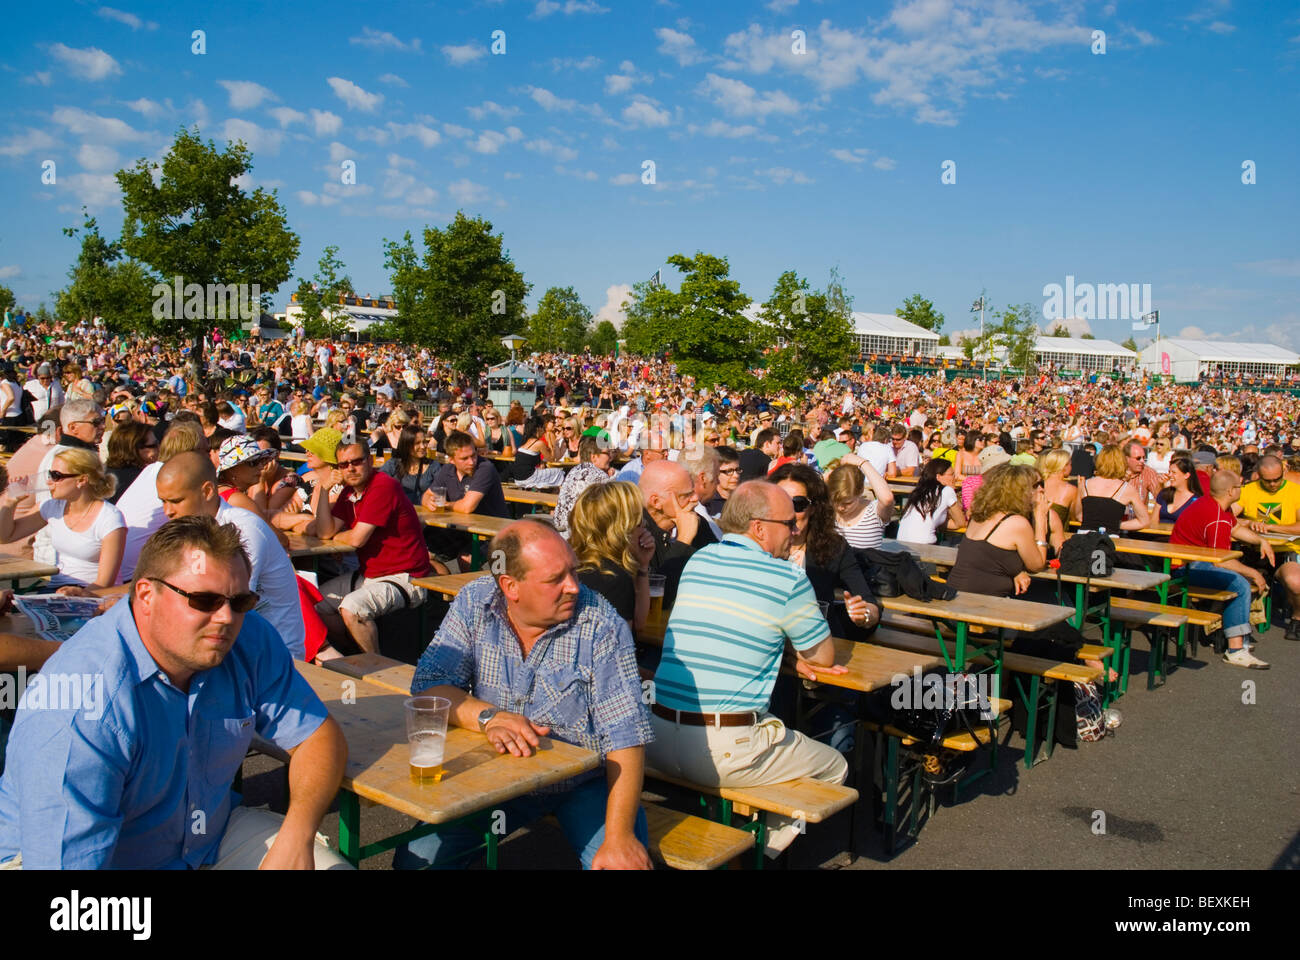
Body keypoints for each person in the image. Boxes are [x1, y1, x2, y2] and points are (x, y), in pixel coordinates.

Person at [0, 515, 350, 869]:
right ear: (147, 595)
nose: (227, 617)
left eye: (240, 602)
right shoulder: (82, 709)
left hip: (205, 839)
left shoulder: (249, 639)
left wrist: (297, 833)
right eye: (204, 600)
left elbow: (317, 737)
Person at [396, 518, 653, 870]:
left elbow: (626, 735)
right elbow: (429, 687)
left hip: (583, 783)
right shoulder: (475, 602)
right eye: (555, 579)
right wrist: (489, 717)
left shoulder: (600, 623)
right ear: (510, 586)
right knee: (416, 861)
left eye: (573, 572)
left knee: (621, 865)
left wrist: (619, 836)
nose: (574, 587)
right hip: (499, 776)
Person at [646, 480, 848, 858]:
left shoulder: (699, 560)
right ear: (759, 527)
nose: (795, 529)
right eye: (788, 523)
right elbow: (822, 658)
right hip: (724, 751)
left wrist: (775, 645)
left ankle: (734, 834)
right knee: (835, 767)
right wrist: (790, 652)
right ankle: (754, 852)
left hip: (656, 736)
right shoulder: (787, 578)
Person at [156, 452, 310, 660]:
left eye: (176, 501)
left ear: (207, 491)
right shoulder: (193, 528)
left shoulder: (243, 529)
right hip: (233, 642)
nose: (167, 511)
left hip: (273, 654)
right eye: (163, 502)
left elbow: (233, 608)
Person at [307, 442, 431, 655]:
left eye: (356, 461)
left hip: (407, 577)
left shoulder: (384, 485)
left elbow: (357, 540)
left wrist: (342, 536)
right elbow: (324, 532)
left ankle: (375, 667)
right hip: (370, 575)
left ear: (370, 461)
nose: (351, 468)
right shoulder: (348, 492)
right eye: (344, 464)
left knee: (352, 608)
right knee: (314, 604)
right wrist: (325, 490)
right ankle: (355, 651)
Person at [1171, 470, 1276, 668]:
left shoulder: (1212, 504)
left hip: (1187, 562)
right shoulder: (1216, 516)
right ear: (1230, 491)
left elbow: (1235, 528)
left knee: (1238, 580)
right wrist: (1253, 573)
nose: (1242, 489)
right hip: (1185, 568)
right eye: (1239, 486)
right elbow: (1221, 560)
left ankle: (1237, 635)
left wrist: (1260, 540)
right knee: (1240, 584)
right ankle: (1236, 649)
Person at [769, 463, 880, 640]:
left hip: (817, 644)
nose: (789, 512)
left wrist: (864, 615)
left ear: (813, 507)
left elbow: (869, 603)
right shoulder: (758, 546)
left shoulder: (833, 547)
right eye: (780, 502)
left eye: (798, 504)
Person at [0, 447, 125, 589]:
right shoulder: (53, 507)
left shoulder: (109, 518)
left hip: (93, 594)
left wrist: (75, 595)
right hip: (58, 588)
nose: (49, 482)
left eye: (56, 476)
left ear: (81, 480)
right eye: (49, 474)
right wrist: (10, 503)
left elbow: (104, 583)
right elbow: (5, 537)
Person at [946, 463, 1049, 598]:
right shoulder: (1017, 523)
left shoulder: (981, 514)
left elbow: (991, 557)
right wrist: (1040, 518)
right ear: (1021, 490)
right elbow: (1037, 565)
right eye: (1035, 486)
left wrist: (1017, 572)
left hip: (956, 594)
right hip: (980, 604)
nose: (1040, 490)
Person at [569, 481, 656, 632]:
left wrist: (642, 565)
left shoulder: (572, 561)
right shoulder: (613, 579)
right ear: (621, 529)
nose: (644, 525)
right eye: (638, 521)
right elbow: (634, 632)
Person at [1234, 455, 1300, 641]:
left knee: (1296, 582)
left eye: (1277, 480)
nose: (1273, 485)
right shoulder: (1248, 490)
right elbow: (1227, 517)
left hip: (1285, 550)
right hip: (1253, 551)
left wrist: (1271, 527)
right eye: (1267, 481)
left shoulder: (1296, 491)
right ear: (1258, 475)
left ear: (1284, 473)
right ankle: (1238, 627)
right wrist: (1248, 523)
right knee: (1235, 580)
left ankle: (1297, 617)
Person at [638, 459, 717, 607]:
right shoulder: (637, 533)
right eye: (686, 495)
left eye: (693, 491)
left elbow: (718, 565)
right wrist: (684, 541)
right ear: (656, 502)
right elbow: (658, 596)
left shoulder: (696, 522)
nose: (695, 498)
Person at [422, 430, 509, 518]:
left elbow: (467, 507)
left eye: (473, 455)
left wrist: (444, 504)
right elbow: (427, 495)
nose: (471, 462)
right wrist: (429, 502)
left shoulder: (485, 468)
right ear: (451, 460)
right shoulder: (447, 469)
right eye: (464, 458)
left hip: (491, 528)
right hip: (462, 526)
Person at [1076, 444, 1151, 532]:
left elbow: (1079, 515)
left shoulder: (1084, 484)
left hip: (1083, 538)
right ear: (1121, 463)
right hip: (1108, 540)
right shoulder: (1127, 489)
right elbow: (1144, 521)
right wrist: (1116, 524)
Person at [553, 434, 614, 537]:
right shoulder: (599, 476)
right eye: (607, 453)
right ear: (594, 457)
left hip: (561, 532)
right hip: (579, 536)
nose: (610, 457)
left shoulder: (575, 470)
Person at [896, 457, 965, 545]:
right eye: (951, 474)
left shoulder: (919, 491)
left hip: (901, 544)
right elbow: (961, 522)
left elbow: (931, 520)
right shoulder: (946, 490)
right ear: (939, 477)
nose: (955, 478)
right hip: (924, 546)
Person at [826, 461, 893, 550]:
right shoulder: (827, 510)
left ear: (861, 491)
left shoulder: (873, 512)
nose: (840, 508)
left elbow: (887, 499)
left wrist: (863, 463)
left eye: (848, 503)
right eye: (836, 501)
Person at [379, 423, 438, 505]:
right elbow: (378, 484)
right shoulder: (394, 464)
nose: (423, 446)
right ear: (407, 445)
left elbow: (440, 491)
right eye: (417, 443)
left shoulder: (433, 466)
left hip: (425, 514)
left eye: (424, 442)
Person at [103, 420, 157, 503]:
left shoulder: (101, 473)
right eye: (153, 445)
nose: (160, 448)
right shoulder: (143, 480)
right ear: (134, 449)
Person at [1156, 454, 1204, 523]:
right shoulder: (1164, 494)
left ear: (1186, 475)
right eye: (1169, 472)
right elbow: (1153, 522)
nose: (1170, 475)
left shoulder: (1196, 500)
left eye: (1174, 472)